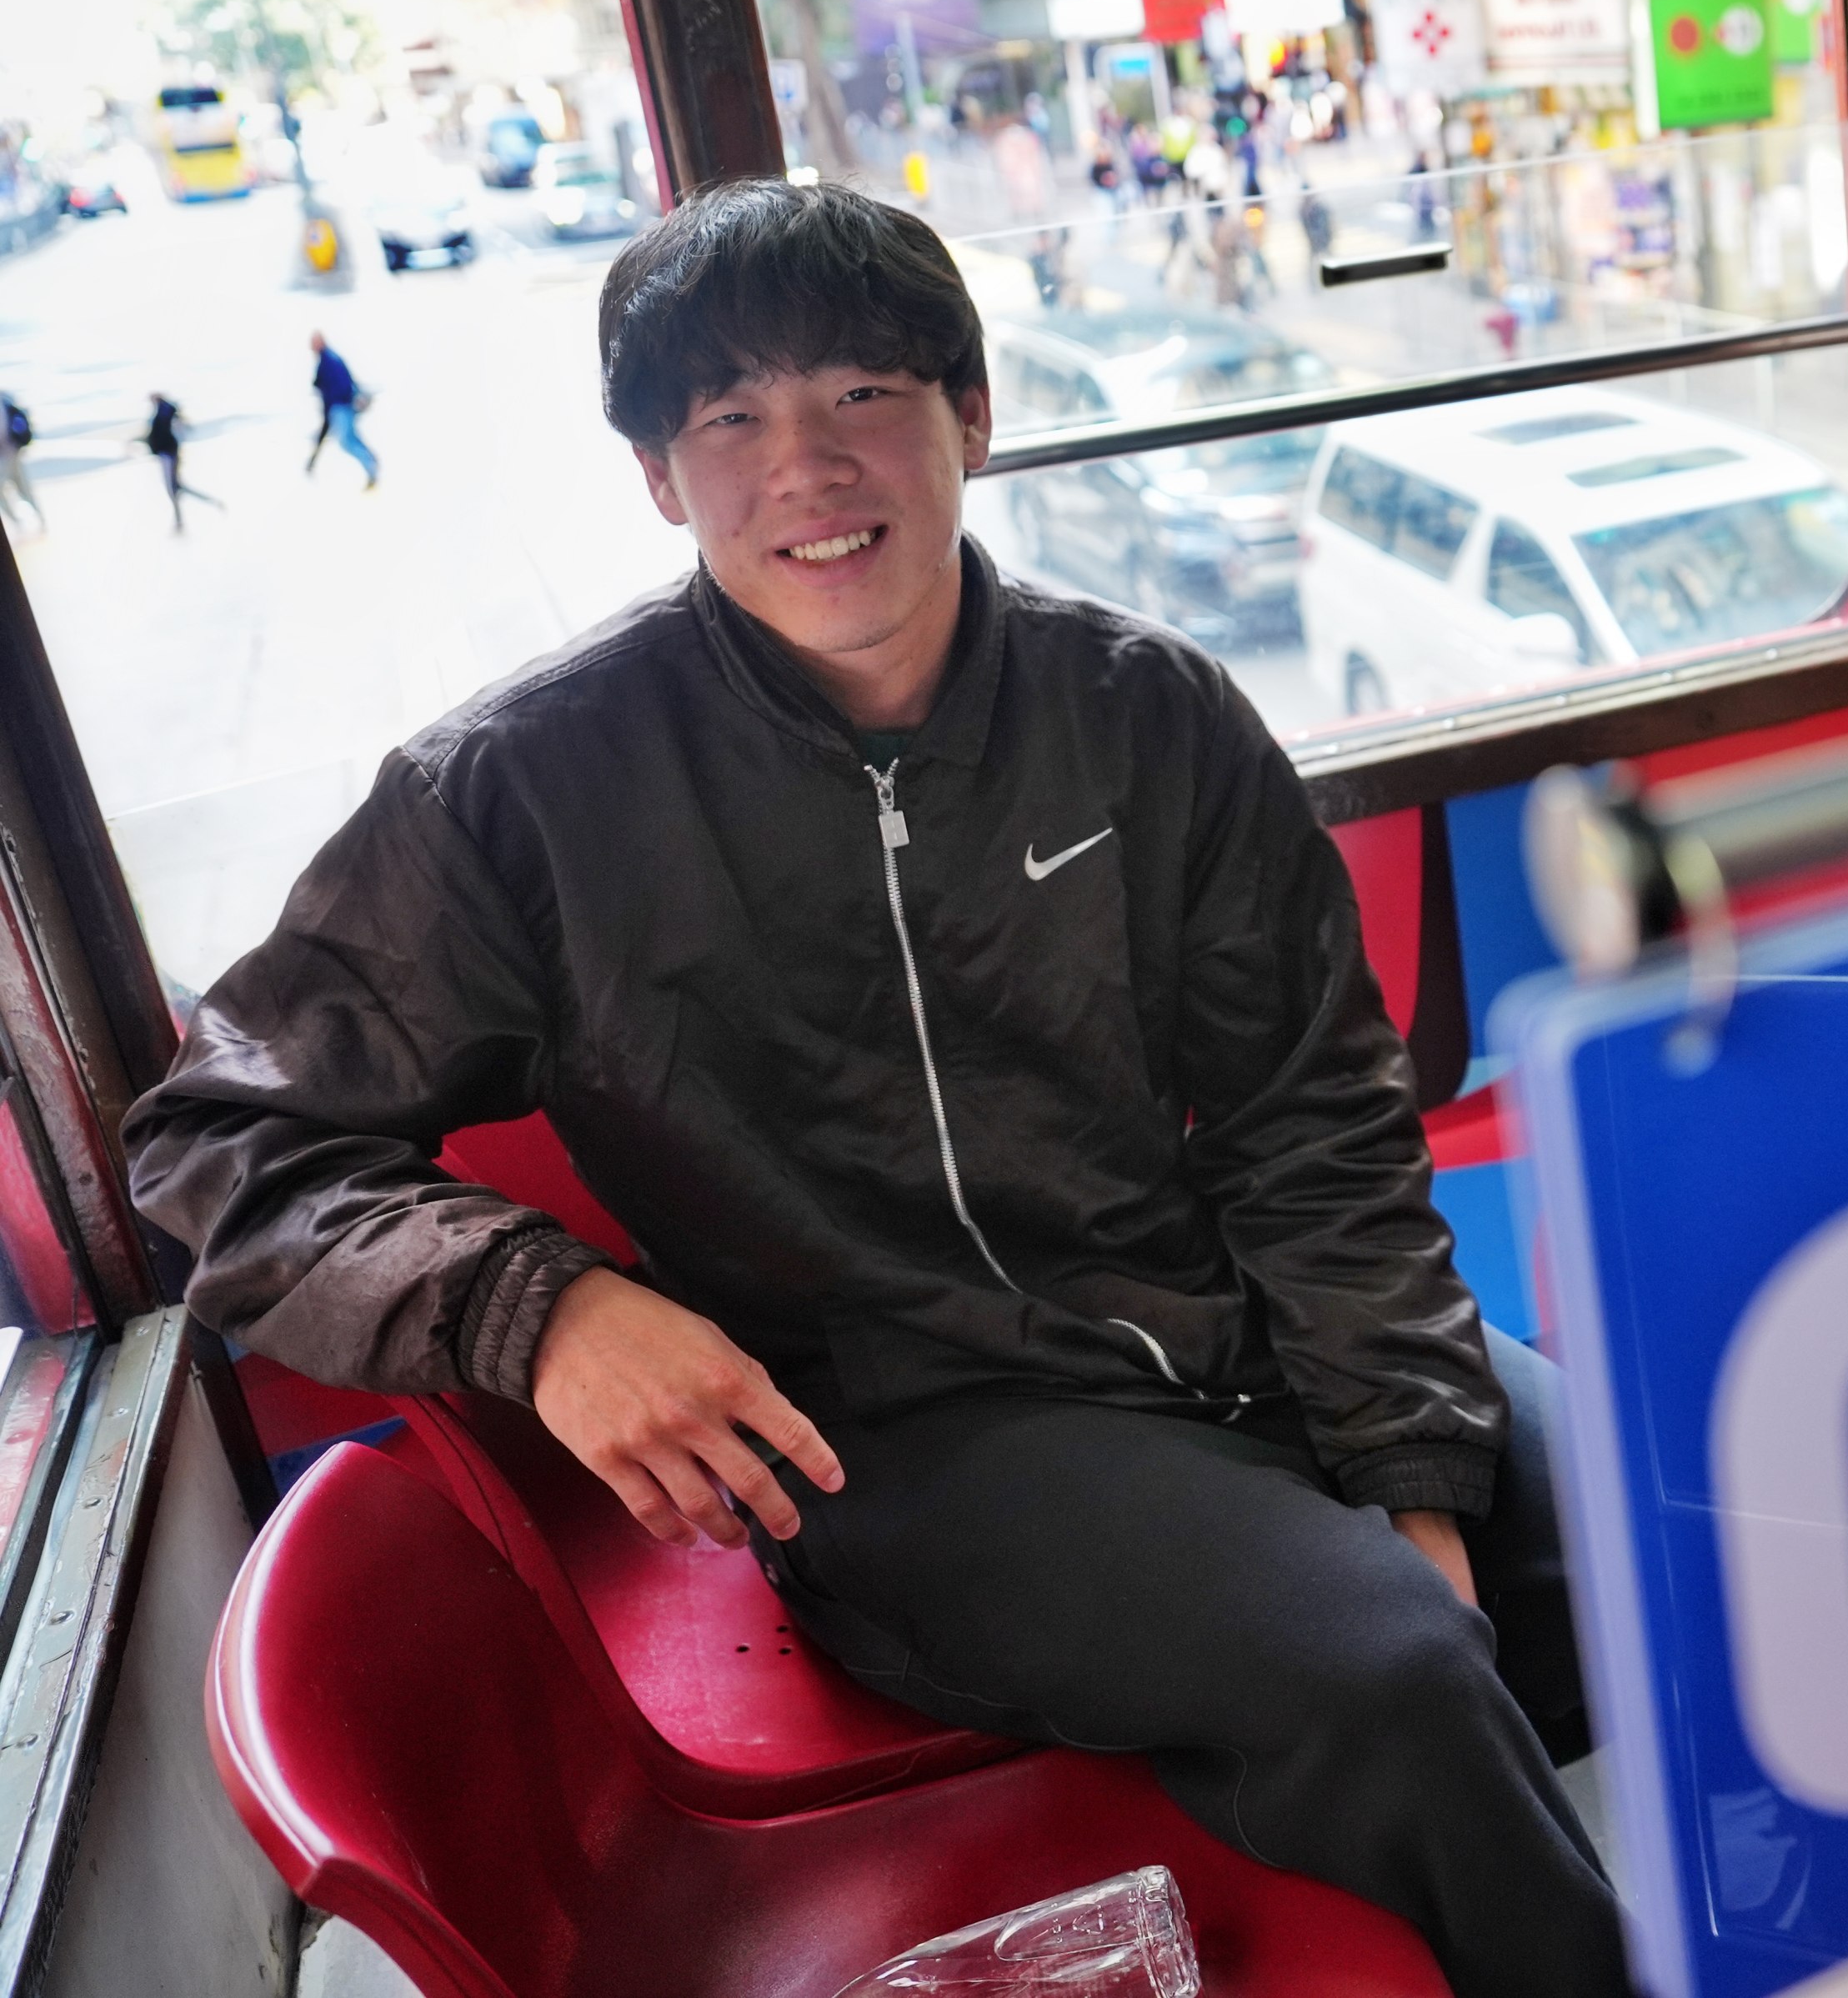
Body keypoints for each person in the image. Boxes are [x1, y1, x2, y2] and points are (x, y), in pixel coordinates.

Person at [121, 181, 1622, 1998]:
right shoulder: (520, 792)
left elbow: (1315, 1120)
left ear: (969, 420)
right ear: (661, 480)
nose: (805, 470)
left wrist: (1411, 1480)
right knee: (1388, 1676)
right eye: (729, 420)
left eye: (861, 397)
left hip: (1216, 1320)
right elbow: (219, 1138)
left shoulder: (1149, 714)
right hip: (902, 1428)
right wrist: (545, 1309)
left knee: (1668, 1532)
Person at [305, 332, 380, 487]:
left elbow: (342, 384)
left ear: (320, 342)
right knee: (350, 439)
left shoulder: (329, 360)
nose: (311, 347)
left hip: (341, 406)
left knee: (347, 442)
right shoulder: (328, 359)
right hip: (340, 406)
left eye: (313, 343)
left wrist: (349, 398)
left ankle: (372, 467)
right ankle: (372, 466)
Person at [140, 394, 218, 531]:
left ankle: (180, 521)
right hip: (166, 452)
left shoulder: (164, 410)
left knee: (172, 488)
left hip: (168, 453)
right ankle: (207, 504)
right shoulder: (160, 412)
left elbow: (175, 423)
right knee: (176, 487)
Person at [0, 391, 40, 533]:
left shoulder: (4, 398)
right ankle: (36, 521)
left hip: (8, 454)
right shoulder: (5, 396)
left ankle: (21, 524)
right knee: (23, 488)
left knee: (21, 488)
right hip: (14, 451)